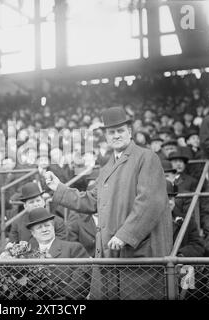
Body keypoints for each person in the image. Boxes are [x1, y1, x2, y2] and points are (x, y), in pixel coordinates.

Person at [44, 106, 173, 299]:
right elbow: (92, 200)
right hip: (110, 257)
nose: (116, 135)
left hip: (138, 254)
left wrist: (125, 234)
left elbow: (150, 202)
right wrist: (59, 188)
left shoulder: (147, 157)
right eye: (111, 132)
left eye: (120, 131)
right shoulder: (106, 167)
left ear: (129, 132)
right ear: (106, 137)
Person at [26, 207, 90, 300]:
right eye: (39, 227)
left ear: (53, 227)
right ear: (33, 233)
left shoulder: (74, 248)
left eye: (47, 225)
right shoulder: (27, 255)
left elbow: (82, 278)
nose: (44, 230)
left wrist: (65, 298)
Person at [166, 180, 204, 257]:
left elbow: (198, 246)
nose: (170, 202)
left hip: (180, 266)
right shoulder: (147, 223)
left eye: (171, 198)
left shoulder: (187, 221)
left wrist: (180, 255)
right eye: (165, 198)